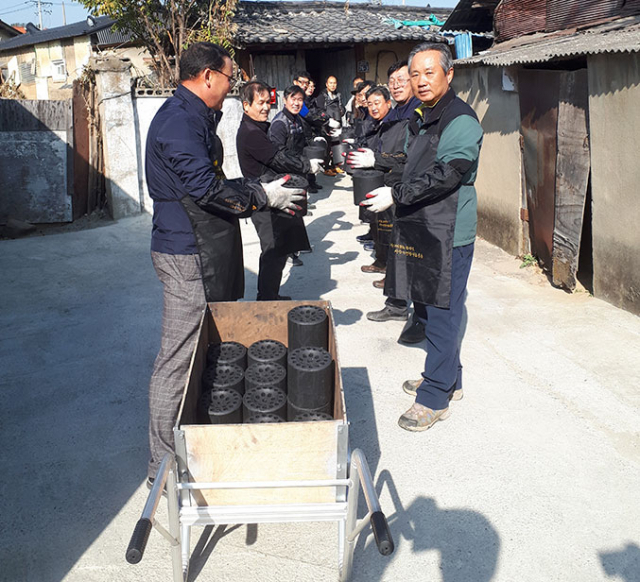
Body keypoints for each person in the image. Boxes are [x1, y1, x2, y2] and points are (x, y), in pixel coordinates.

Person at [145, 43, 303, 485]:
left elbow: (214, 181)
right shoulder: (179, 122)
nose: (232, 87)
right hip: (184, 250)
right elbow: (203, 185)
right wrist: (261, 195)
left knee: (206, 344)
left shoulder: (195, 116)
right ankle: (161, 468)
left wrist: (253, 190)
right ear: (208, 76)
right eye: (231, 78)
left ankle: (201, 432)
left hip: (204, 243)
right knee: (177, 357)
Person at [361, 42, 483, 432]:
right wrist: (380, 167)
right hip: (425, 224)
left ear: (449, 75)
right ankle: (449, 378)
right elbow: (411, 164)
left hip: (449, 230)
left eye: (429, 72)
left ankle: (433, 396)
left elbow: (448, 174)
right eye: (415, 74)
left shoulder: (460, 119)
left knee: (444, 310)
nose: (421, 80)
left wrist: (396, 195)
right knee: (431, 306)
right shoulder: (421, 115)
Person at [351, 61, 425, 344]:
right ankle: (395, 304)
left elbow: (410, 158)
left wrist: (378, 160)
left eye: (402, 79)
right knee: (396, 249)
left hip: (410, 192)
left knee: (413, 255)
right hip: (392, 190)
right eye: (392, 80)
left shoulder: (416, 116)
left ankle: (420, 317)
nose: (396, 84)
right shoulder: (396, 114)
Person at [236, 81, 323, 299]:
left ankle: (270, 294)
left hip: (275, 194)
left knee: (281, 248)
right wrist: (307, 166)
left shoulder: (260, 127)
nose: (266, 107)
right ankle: (266, 299)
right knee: (272, 250)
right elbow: (278, 158)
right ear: (246, 105)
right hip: (265, 198)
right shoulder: (251, 133)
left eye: (268, 102)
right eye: (260, 103)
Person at [269, 84, 313, 267]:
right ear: (285, 100)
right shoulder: (280, 123)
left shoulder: (297, 119)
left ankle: (298, 246)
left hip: (296, 170)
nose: (296, 103)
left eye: (300, 100)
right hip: (284, 174)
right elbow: (277, 154)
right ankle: (289, 252)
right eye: (293, 99)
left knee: (298, 211)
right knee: (288, 214)